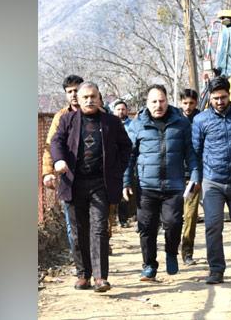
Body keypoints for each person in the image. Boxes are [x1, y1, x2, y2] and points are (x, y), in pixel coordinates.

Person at [50, 82, 132, 293]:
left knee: (98, 230)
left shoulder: (111, 122)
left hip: (100, 184)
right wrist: (59, 161)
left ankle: (100, 277)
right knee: (78, 232)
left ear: (99, 98)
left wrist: (117, 169)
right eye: (85, 97)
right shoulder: (67, 120)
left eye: (93, 96)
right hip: (74, 182)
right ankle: (83, 274)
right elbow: (56, 142)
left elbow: (126, 147)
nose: (89, 100)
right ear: (78, 98)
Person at [124, 85, 196, 281]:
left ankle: (171, 252)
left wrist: (195, 174)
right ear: (147, 104)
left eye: (162, 100)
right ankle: (149, 265)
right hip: (146, 186)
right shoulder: (137, 125)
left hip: (174, 186)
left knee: (173, 223)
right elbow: (129, 156)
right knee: (146, 227)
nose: (158, 105)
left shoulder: (181, 124)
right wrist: (126, 181)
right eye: (154, 101)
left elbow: (190, 153)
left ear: (167, 101)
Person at [190, 76, 231, 284]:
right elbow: (195, 151)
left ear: (230, 95)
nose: (220, 101)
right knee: (212, 225)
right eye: (216, 98)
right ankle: (216, 269)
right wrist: (196, 177)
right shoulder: (200, 120)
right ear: (210, 98)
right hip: (213, 181)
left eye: (223, 97)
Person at [42, 75, 85, 255]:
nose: (74, 95)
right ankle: (79, 262)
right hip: (69, 176)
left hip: (96, 176)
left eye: (77, 90)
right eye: (70, 91)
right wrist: (48, 172)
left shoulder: (99, 113)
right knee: (72, 224)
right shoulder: (61, 117)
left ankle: (96, 258)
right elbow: (50, 145)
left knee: (96, 223)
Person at [178, 88, 204, 265]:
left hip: (194, 174)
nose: (188, 107)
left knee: (191, 216)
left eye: (191, 103)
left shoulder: (202, 120)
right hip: (173, 174)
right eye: (185, 103)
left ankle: (187, 252)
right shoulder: (174, 119)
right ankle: (172, 249)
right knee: (172, 217)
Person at [110, 99, 134, 227]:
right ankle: (114, 218)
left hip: (129, 159)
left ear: (127, 110)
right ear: (114, 111)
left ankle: (125, 218)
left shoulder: (133, 125)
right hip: (114, 161)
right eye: (118, 109)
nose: (121, 111)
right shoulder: (109, 124)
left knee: (127, 189)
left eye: (123, 109)